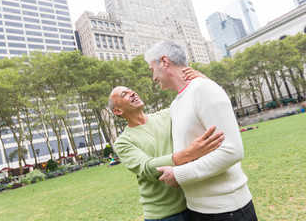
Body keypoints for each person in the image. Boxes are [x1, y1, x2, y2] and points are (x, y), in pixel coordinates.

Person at [145, 41, 258, 221]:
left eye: (152, 70)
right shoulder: (175, 105)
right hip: (195, 210)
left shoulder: (204, 89)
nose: (153, 78)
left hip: (227, 212)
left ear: (164, 61)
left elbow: (232, 151)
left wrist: (178, 174)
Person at [109, 85, 224, 221]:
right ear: (118, 111)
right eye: (124, 94)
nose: (132, 93)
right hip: (164, 215)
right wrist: (189, 153)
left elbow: (193, 103)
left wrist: (201, 79)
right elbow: (148, 168)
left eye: (131, 90)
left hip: (195, 204)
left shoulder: (166, 115)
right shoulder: (123, 142)